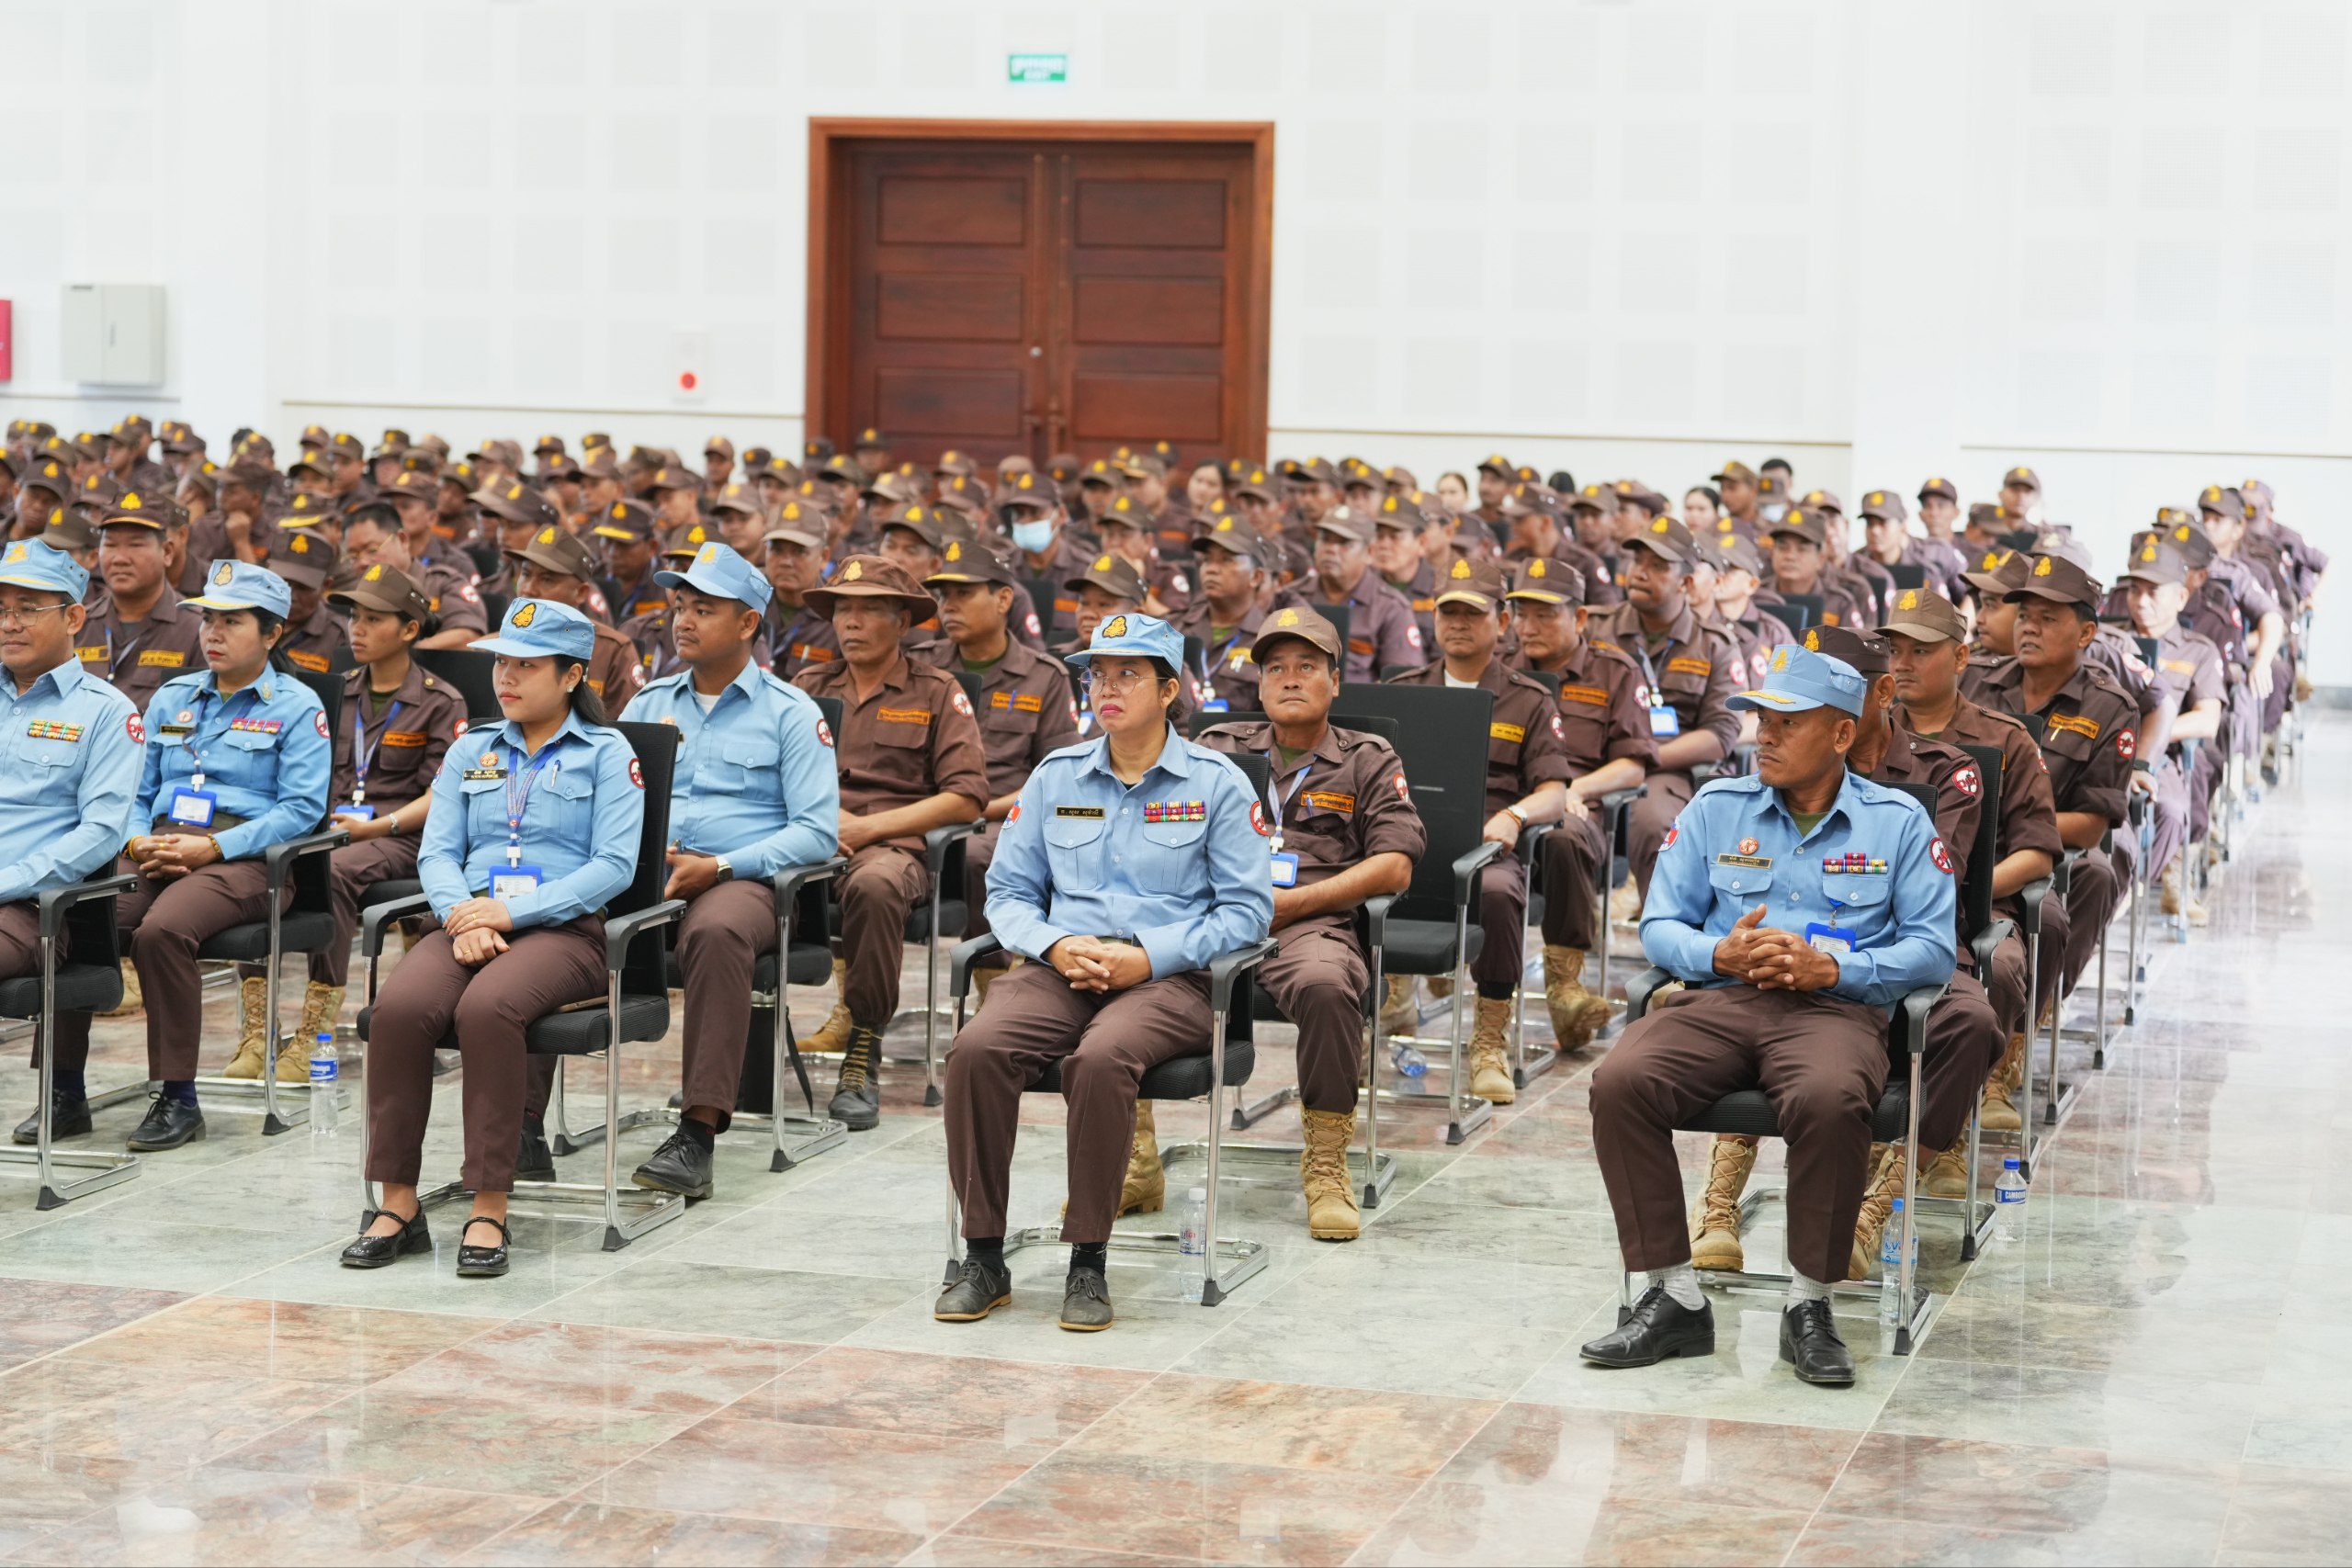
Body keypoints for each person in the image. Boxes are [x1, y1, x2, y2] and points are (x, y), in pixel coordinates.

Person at [1580, 643, 1956, 1387]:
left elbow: (1933, 951)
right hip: (1724, 999)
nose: (1765, 737)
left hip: (1833, 1010)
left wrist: (1837, 968)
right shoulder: (1718, 807)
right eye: (1760, 718)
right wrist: (1718, 953)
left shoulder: (1898, 821)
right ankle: (1673, 1293)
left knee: (1826, 1096)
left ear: (1843, 733)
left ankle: (1810, 1303)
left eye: (1787, 721)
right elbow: (1660, 925)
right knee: (1621, 1079)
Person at [934, 612, 1272, 1331]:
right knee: (976, 1049)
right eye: (1097, 673)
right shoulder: (1058, 774)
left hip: (1169, 980)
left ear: (1169, 689)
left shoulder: (1216, 784)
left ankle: (1088, 1258)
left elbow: (1247, 913)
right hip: (1064, 965)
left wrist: (1147, 955)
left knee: (1100, 1058)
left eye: (1127, 673)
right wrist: (1056, 946)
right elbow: (1008, 893)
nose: (1105, 688)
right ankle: (983, 1254)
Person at [1690, 625, 2002, 1279]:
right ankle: (1719, 1203)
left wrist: (1829, 961)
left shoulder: (1943, 772)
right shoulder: (1768, 770)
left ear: (1878, 694)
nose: (1787, 715)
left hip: (1896, 958)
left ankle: (1877, 1201)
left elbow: (1926, 905)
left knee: (1971, 1023)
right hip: (1785, 958)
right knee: (1753, 985)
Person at [346, 598, 645, 1277]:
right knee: (397, 1010)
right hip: (467, 919)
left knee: (488, 1009)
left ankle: (489, 1202)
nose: (506, 677)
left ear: (572, 675)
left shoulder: (607, 754)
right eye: (502, 662)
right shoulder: (471, 748)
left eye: (526, 665)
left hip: (565, 930)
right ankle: (398, 1201)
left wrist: (508, 916)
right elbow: (438, 852)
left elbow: (613, 868)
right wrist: (463, 912)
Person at [55, 562, 331, 1150]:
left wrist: (215, 846)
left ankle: (178, 1097)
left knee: (162, 932)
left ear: (272, 633)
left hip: (249, 861)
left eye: (231, 621)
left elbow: (302, 809)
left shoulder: (297, 706)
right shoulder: (173, 697)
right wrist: (134, 840)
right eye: (208, 619)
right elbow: (136, 788)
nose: (213, 633)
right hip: (157, 845)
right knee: (74, 915)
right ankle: (64, 1091)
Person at [616, 544, 838, 1200]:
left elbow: (817, 831)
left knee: (715, 932)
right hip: (644, 876)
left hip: (741, 885)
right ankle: (524, 1126)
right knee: (552, 922)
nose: (682, 620)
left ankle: (697, 1132)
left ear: (748, 624)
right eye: (680, 606)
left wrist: (720, 866)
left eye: (704, 609)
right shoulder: (647, 705)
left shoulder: (792, 713)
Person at [1197, 609, 1421, 1240]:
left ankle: (1326, 1161)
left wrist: (1291, 904)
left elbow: (1397, 866)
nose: (1290, 679)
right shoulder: (1217, 751)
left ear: (1334, 680)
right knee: (1132, 975)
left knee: (1327, 985)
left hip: (1309, 920)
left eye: (1306, 667)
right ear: (1259, 685)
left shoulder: (1368, 759)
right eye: (1275, 669)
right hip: (1214, 917)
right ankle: (1136, 1152)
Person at [792, 557, 989, 1131]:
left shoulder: (937, 690)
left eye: (867, 609)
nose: (849, 622)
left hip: (893, 850)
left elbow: (966, 798)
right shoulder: (807, 689)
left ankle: (863, 1045)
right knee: (734, 884)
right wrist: (825, 823)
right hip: (809, 840)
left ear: (902, 620)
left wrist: (866, 828)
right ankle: (732, 1056)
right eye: (841, 610)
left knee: (875, 886)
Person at [1380, 559, 1573, 1104]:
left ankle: (1489, 1036)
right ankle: (1362, 1024)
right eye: (1448, 612)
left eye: (1473, 612)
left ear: (1503, 620)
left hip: (1488, 843)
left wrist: (1514, 816)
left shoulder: (1527, 697)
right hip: (1405, 836)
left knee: (1494, 890)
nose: (1458, 623)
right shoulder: (1404, 692)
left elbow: (1555, 791)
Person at [259, 563, 468, 1055]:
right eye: (354, 618)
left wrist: (376, 828)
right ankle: (256, 1032)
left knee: (327, 870)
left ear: (410, 629)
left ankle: (316, 1032)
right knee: (258, 862)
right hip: (331, 825)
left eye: (374, 619)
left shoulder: (441, 702)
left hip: (401, 835)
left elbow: (443, 796)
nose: (358, 629)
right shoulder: (334, 691)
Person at [1883, 589, 2061, 1142]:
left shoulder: (2003, 738)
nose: (1903, 664)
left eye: (1921, 651)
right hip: (1875, 903)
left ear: (1960, 658)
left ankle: (1966, 1107)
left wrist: (1967, 892)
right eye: (1895, 650)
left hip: (1980, 905)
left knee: (2002, 969)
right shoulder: (1867, 733)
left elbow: (2036, 850)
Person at [0, 542, 143, 1144]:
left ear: (73, 617)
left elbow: (102, 832)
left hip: (32, 909)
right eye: (2, 607)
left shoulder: (107, 714)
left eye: (28, 607)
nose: (9, 622)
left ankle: (64, 1091)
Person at [1965, 554, 2138, 1007]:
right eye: (2023, 616)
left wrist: (2018, 824)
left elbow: (2093, 824)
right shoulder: (1974, 681)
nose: (2029, 628)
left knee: (2097, 872)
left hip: (2048, 848)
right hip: (1961, 835)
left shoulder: (2108, 708)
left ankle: (2034, 1015)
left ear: (2085, 634)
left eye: (2047, 619)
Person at [1502, 559, 1654, 1048]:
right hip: (1505, 805)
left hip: (1577, 810)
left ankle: (1565, 989)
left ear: (1581, 617)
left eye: (1545, 615)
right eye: (1521, 614)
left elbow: (1633, 764)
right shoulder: (1500, 667)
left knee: (1562, 833)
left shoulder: (1614, 671)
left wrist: (1576, 790)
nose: (1528, 627)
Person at [922, 536, 1078, 1010]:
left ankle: (995, 991)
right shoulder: (924, 666)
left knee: (977, 854)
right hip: (924, 811)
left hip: (1003, 814)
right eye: (943, 595)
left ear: (1004, 598)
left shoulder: (1043, 676)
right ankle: (856, 1010)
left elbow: (1055, 776)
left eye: (964, 594)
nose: (949, 606)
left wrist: (976, 808)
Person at [1586, 516, 1741, 898]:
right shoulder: (1593, 629)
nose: (1641, 573)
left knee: (1656, 823)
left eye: (1657, 567)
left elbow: (1720, 734)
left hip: (1664, 766)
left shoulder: (1714, 644)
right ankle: (1568, 944)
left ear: (1686, 583)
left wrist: (1644, 758)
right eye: (1638, 562)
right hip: (1590, 758)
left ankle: (1661, 935)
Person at [495, 519, 645, 713]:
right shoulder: (500, 644)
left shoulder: (612, 650)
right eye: (525, 574)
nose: (529, 589)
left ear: (581, 593)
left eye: (547, 579)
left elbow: (627, 728)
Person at [82, 489, 207, 716]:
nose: (120, 558)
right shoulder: (79, 625)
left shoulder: (198, 630)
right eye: (110, 545)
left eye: (136, 545)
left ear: (167, 552)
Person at [1275, 511, 1424, 682]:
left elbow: (1401, 682)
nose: (1331, 549)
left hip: (1358, 707)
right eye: (1325, 539)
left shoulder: (1390, 608)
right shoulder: (1290, 597)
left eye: (1344, 543)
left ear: (1369, 552)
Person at [1173, 511, 1272, 715]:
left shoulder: (1271, 641)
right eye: (1208, 560)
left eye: (1227, 560)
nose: (1211, 569)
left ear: (1256, 576)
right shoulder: (1173, 629)